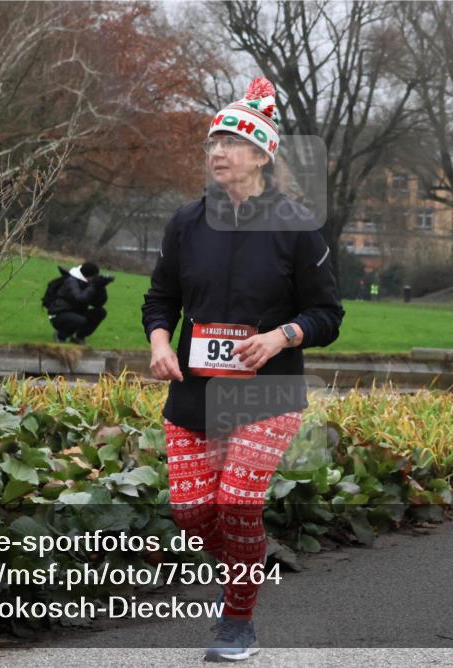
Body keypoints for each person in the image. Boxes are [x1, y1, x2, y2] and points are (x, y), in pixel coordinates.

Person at [141, 76, 344, 662]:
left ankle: (238, 618)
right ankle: (250, 554)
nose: (217, 152)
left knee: (236, 504)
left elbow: (328, 313)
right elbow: (161, 299)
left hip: (266, 395)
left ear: (261, 154)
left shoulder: (297, 226)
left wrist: (283, 336)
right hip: (193, 393)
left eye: (231, 142)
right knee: (192, 512)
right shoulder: (187, 222)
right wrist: (160, 343)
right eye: (213, 143)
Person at [43, 261, 112, 344]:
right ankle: (60, 335)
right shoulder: (71, 281)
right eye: (94, 277)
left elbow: (99, 304)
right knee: (80, 320)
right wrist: (94, 286)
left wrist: (101, 287)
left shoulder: (88, 283)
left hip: (76, 313)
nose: (95, 278)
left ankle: (78, 337)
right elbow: (80, 299)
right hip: (59, 314)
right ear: (87, 276)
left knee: (101, 312)